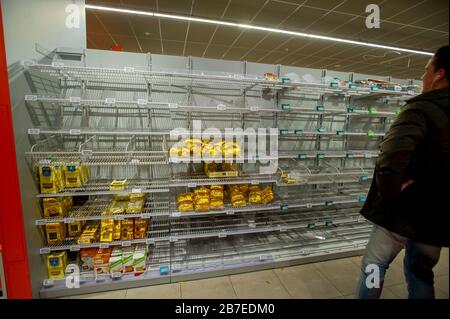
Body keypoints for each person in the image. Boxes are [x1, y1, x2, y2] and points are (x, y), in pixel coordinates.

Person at [356, 45, 449, 299]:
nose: (423, 76)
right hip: (439, 216)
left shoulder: (420, 109)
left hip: (405, 213)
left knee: (374, 266)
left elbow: (392, 158)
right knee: (420, 273)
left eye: (426, 70)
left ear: (439, 73)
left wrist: (389, 194)